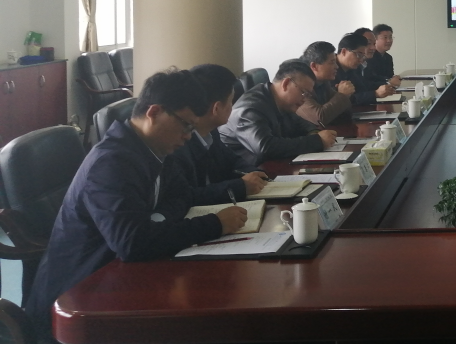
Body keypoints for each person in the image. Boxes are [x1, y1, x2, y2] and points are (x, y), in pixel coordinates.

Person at [25, 69, 247, 340]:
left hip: (120, 278)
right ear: (154, 112)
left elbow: (183, 197)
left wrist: (156, 220)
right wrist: (215, 224)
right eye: (186, 125)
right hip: (77, 301)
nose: (188, 136)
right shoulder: (111, 163)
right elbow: (132, 242)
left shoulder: (156, 149)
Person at [167, 64, 269, 205]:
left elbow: (232, 161)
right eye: (231, 101)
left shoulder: (211, 131)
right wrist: (240, 187)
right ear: (216, 108)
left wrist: (256, 175)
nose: (233, 107)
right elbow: (187, 197)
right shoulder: (178, 144)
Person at [219, 59, 337, 169]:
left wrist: (314, 132)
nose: (304, 99)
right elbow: (265, 147)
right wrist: (316, 141)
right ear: (286, 84)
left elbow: (299, 122)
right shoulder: (250, 109)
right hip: (244, 173)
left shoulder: (279, 100)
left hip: (267, 168)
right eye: (304, 93)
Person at [297, 41, 354, 126]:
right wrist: (342, 95)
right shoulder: (300, 86)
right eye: (332, 62)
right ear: (314, 66)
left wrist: (343, 94)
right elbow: (319, 118)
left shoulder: (324, 82)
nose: (336, 66)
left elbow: (345, 113)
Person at [334, 32, 396, 105]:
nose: (361, 60)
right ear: (344, 52)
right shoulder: (330, 70)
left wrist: (386, 86)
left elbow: (363, 88)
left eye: (363, 56)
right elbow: (350, 100)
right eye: (359, 55)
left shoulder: (353, 68)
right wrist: (375, 94)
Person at [366, 23, 400, 87]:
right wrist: (389, 81)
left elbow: (390, 76)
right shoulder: (369, 57)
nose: (389, 41)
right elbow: (371, 79)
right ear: (375, 39)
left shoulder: (388, 57)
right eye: (385, 37)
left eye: (390, 37)